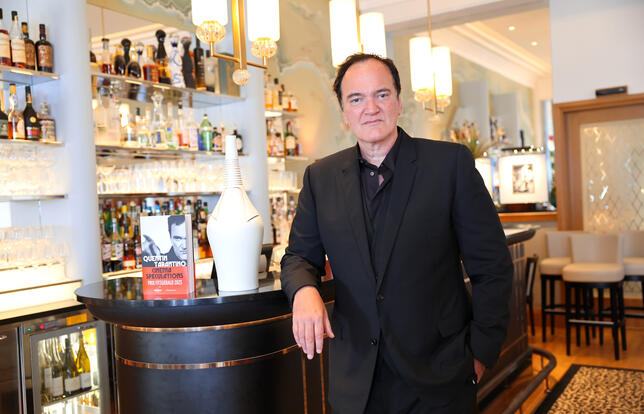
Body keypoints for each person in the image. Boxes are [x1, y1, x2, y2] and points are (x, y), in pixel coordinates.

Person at [280, 53, 513, 414]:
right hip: (357, 382)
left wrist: (480, 353)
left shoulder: (449, 165)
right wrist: (304, 290)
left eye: (382, 94)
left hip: (440, 375)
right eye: (356, 99)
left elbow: (492, 266)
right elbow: (298, 256)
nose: (370, 108)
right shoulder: (320, 178)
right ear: (344, 113)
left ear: (399, 102)